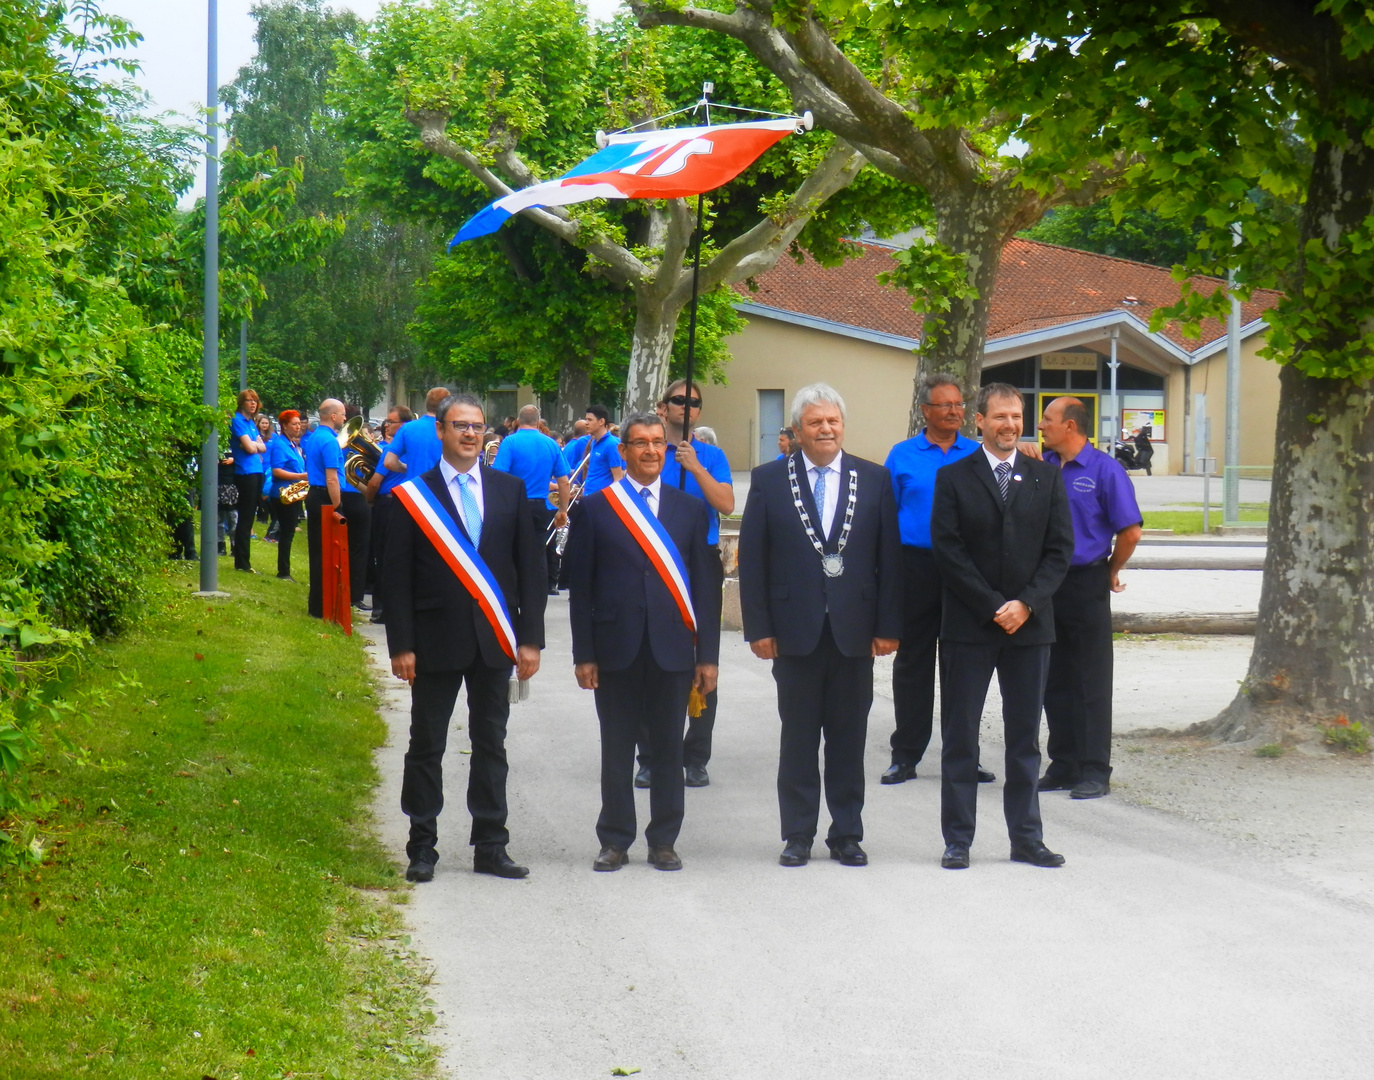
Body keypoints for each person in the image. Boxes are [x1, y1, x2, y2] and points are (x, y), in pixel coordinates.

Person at [383, 393, 547, 883]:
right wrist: (401, 645)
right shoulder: (413, 495)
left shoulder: (509, 490)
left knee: (491, 743)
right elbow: (396, 578)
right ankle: (422, 845)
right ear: (440, 430)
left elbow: (530, 572)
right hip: (434, 640)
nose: (471, 434)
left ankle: (491, 845)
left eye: (477, 426)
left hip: (495, 639)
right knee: (427, 743)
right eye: (460, 426)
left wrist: (531, 639)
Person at [738, 383, 902, 868]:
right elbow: (754, 561)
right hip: (794, 631)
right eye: (815, 423)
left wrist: (888, 624)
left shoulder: (874, 479)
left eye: (832, 421)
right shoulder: (769, 480)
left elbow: (889, 559)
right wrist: (758, 628)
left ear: (843, 426)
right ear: (797, 430)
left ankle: (847, 833)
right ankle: (798, 834)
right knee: (799, 738)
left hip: (855, 630)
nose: (826, 429)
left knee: (849, 739)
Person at [565, 412, 721, 873]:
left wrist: (707, 657)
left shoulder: (689, 509)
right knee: (616, 746)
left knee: (670, 748)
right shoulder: (596, 508)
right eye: (641, 443)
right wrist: (584, 654)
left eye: (658, 443)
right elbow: (583, 589)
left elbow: (705, 591)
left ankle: (664, 840)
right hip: (616, 648)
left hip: (673, 649)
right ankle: (614, 839)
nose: (651, 451)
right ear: (624, 451)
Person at [930, 382, 1074, 870]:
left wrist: (1026, 604)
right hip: (970, 626)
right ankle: (958, 839)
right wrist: (994, 605)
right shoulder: (953, 478)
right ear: (980, 421)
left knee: (1023, 739)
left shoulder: (1045, 477)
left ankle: (1026, 838)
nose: (1009, 425)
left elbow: (1060, 552)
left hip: (1030, 629)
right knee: (961, 736)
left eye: (1016, 417)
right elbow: (948, 551)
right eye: (1000, 417)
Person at [880, 374, 997, 788]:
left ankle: (964, 755)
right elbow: (884, 517)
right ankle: (906, 754)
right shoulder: (903, 455)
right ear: (925, 411)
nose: (954, 412)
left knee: (963, 663)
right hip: (917, 566)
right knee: (912, 662)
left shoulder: (979, 454)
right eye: (944, 405)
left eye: (958, 404)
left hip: (967, 569)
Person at [1037, 396, 1143, 799]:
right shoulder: (1043, 466)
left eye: (1047, 419)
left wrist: (1112, 569)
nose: (1041, 425)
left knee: (1091, 680)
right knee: (1054, 678)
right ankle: (1062, 764)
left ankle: (1095, 769)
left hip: (1086, 582)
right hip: (1047, 585)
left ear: (1070, 426)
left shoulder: (1105, 471)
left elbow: (1130, 531)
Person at [634, 379, 733, 789]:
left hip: (699, 562)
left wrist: (695, 467)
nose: (686, 408)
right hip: (652, 560)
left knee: (702, 657)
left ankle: (696, 755)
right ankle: (651, 755)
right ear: (662, 407)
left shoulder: (710, 454)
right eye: (679, 401)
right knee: (648, 655)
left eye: (694, 403)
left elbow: (726, 504)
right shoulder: (649, 452)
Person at [492, 404, 571, 594]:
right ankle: (537, 596)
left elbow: (498, 477)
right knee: (538, 552)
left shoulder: (510, 442)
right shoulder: (551, 443)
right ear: (538, 421)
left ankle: (512, 593)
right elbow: (564, 482)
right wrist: (563, 510)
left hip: (514, 504)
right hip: (540, 505)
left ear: (518, 421)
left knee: (512, 549)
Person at [365, 405, 414, 623]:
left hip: (387, 505)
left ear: (402, 425)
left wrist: (369, 499)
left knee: (382, 556)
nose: (386, 425)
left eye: (390, 421)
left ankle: (380, 608)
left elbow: (375, 482)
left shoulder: (391, 450)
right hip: (407, 504)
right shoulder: (413, 449)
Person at [303, 398, 347, 619]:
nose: (344, 418)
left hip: (314, 494)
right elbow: (332, 479)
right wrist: (337, 505)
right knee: (326, 554)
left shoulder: (313, 437)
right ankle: (323, 606)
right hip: (325, 498)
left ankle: (317, 604)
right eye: (342, 414)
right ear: (333, 416)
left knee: (317, 551)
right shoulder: (330, 441)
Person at [266, 410, 308, 580]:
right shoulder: (280, 444)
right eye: (294, 424)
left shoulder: (291, 444)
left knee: (288, 532)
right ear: (284, 426)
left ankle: (285, 570)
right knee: (286, 533)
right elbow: (277, 471)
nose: (298, 427)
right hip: (284, 493)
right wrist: (301, 476)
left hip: (294, 492)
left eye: (299, 424)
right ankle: (283, 571)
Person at [339, 405, 374, 613]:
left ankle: (343, 590)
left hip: (342, 498)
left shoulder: (337, 443)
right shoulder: (358, 446)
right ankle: (355, 597)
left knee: (345, 546)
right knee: (360, 549)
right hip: (358, 497)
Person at [230, 389, 267, 573]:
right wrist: (255, 446)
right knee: (245, 518)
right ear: (241, 402)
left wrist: (255, 446)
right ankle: (242, 563)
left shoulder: (251, 423)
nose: (253, 404)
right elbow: (251, 449)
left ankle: (244, 561)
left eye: (255, 400)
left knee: (249, 517)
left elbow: (262, 447)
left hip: (256, 471)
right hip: (246, 473)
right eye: (249, 400)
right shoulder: (238, 421)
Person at [580, 404, 624, 494]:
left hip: (602, 499)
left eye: (590, 420)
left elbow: (618, 478)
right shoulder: (594, 442)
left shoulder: (611, 444)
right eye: (586, 419)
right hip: (589, 496)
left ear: (601, 421)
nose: (586, 423)